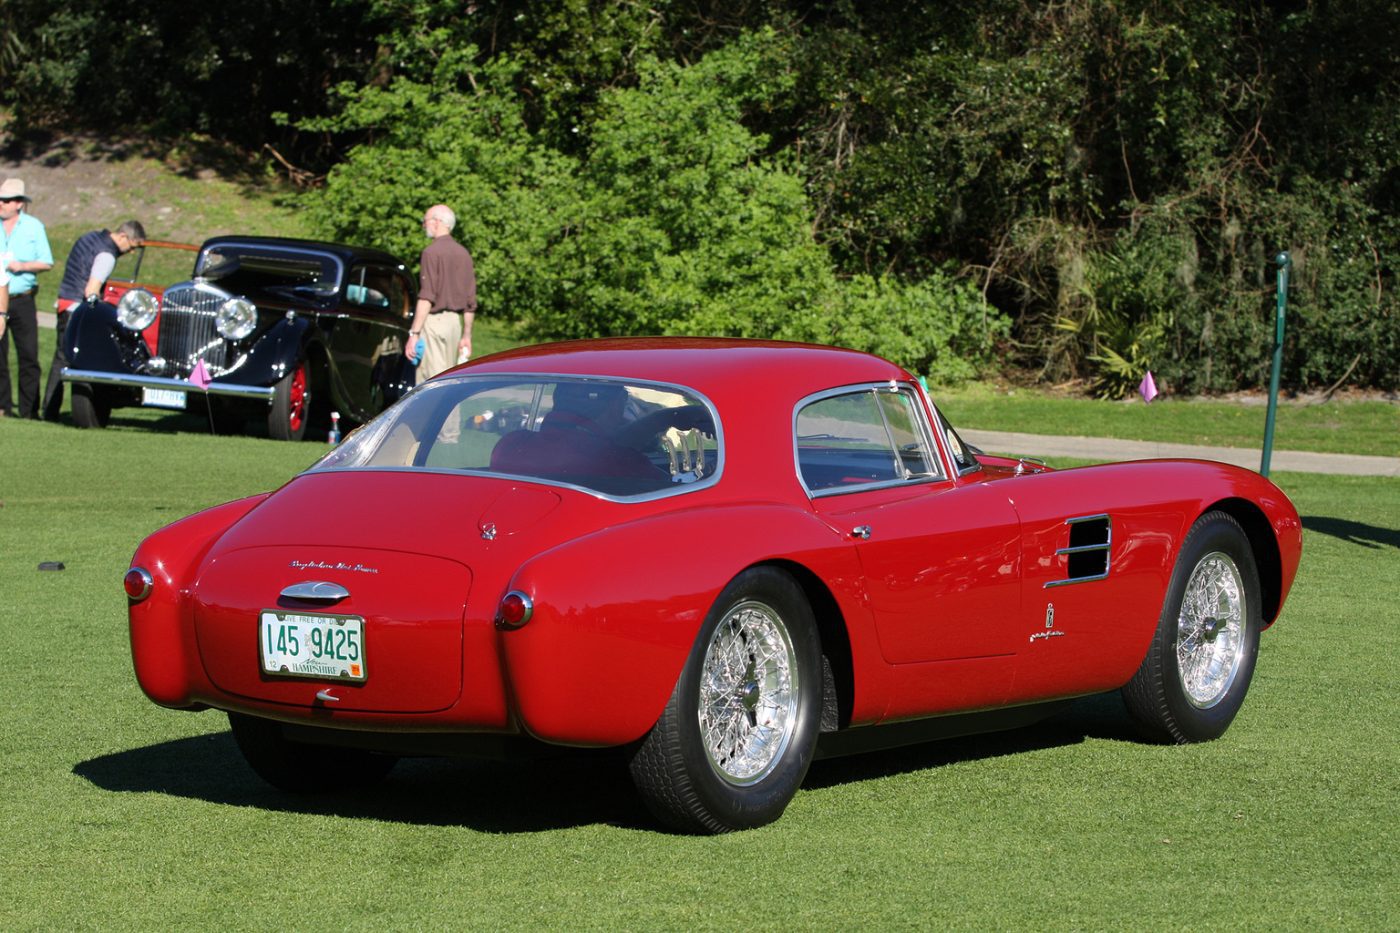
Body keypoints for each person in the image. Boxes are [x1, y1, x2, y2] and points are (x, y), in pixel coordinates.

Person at [43, 220, 147, 420]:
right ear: (124, 236)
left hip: (64, 302)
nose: (130, 252)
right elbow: (91, 290)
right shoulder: (107, 255)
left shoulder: (89, 237)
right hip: (77, 309)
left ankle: (49, 409)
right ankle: (56, 411)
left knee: (59, 359)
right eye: (132, 246)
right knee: (79, 360)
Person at [0, 178, 55, 419]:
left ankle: (29, 409)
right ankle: (3, 406)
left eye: (7, 200)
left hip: (22, 298)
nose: (1, 203)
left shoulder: (34, 227)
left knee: (28, 355)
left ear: (19, 203)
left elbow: (47, 261)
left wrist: (22, 265)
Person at [405, 203, 476, 384]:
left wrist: (414, 334)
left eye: (425, 221)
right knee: (449, 377)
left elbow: (427, 296)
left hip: (434, 324)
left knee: (432, 384)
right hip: (454, 324)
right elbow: (470, 302)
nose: (424, 225)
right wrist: (466, 336)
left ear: (437, 222)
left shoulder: (431, 252)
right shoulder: (464, 253)